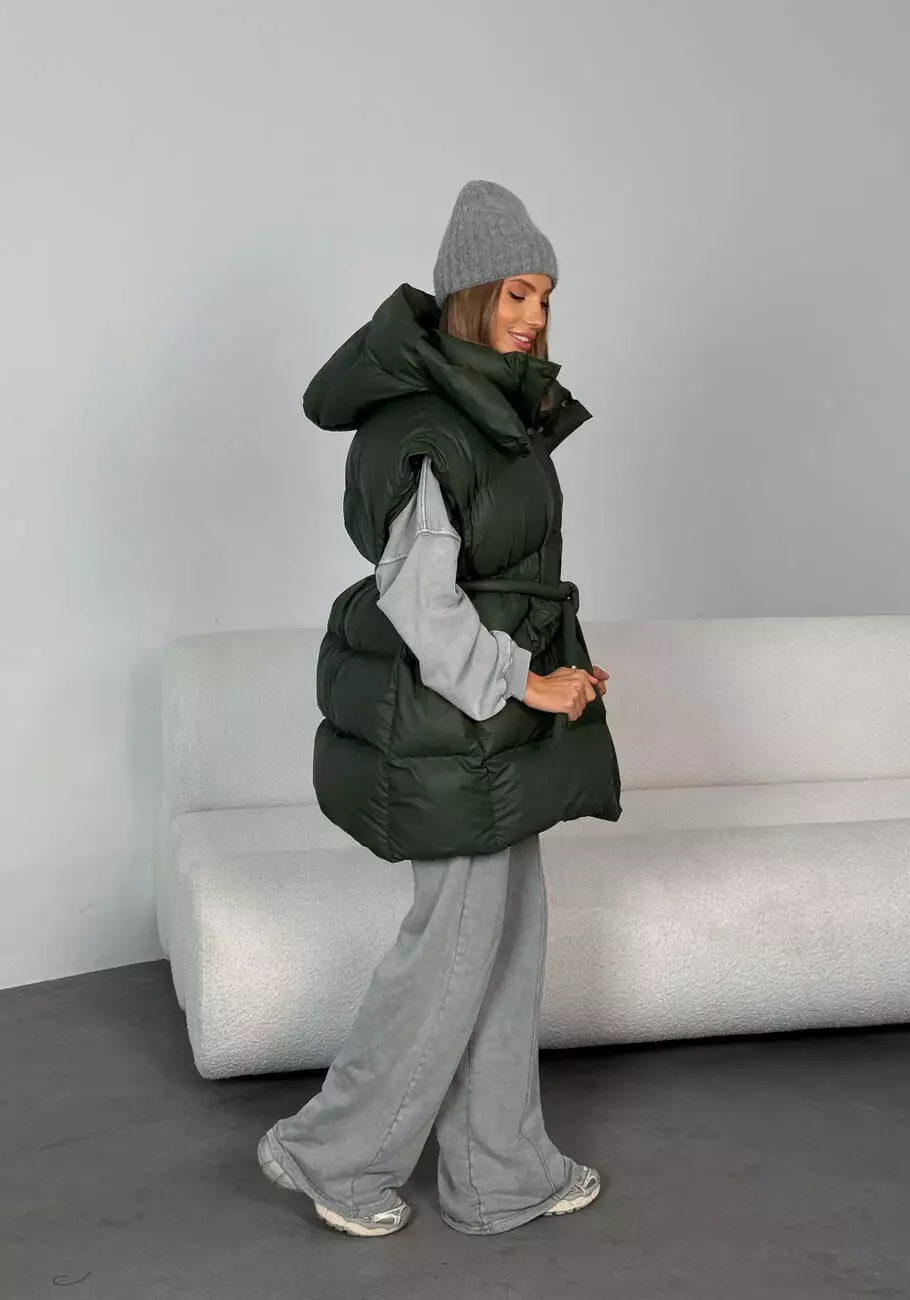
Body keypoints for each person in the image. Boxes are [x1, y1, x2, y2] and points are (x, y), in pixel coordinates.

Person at [257, 180, 622, 1238]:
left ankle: (497, 1170)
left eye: (545, 297)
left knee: (507, 946)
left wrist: (554, 673)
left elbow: (502, 579)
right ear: (469, 292)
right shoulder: (429, 420)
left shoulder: (487, 408)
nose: (534, 316)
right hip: (451, 727)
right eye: (515, 293)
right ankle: (332, 1153)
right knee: (452, 952)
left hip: (486, 732)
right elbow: (419, 596)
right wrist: (523, 679)